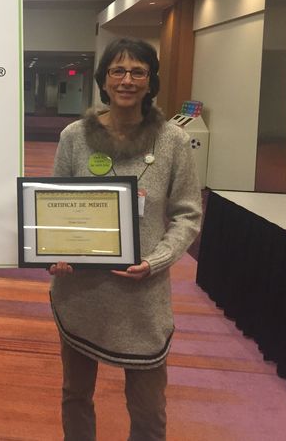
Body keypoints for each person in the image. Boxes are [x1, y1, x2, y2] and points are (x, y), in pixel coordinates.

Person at [48, 37, 202, 441]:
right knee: (75, 395)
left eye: (138, 72)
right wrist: (55, 252)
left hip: (142, 298)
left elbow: (188, 214)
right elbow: (53, 206)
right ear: (103, 80)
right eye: (118, 70)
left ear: (151, 82)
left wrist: (156, 261)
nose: (127, 80)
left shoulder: (172, 140)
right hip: (80, 294)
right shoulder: (74, 137)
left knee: (148, 409)